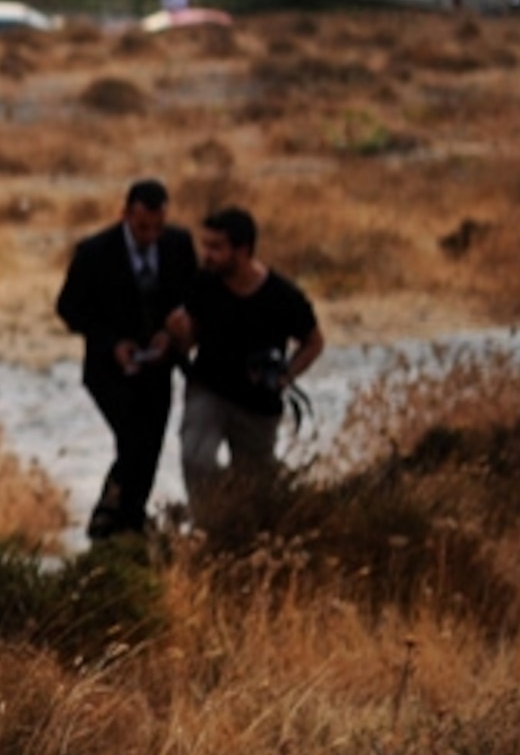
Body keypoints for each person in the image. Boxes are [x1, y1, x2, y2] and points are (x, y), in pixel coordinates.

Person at [164, 206, 326, 533]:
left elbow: (314, 342)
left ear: (243, 250)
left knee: (255, 485)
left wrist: (287, 374)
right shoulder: (202, 285)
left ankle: (244, 536)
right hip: (208, 389)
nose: (207, 255)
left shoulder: (282, 295)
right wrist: (178, 334)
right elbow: (189, 340)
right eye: (205, 245)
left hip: (258, 402)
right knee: (196, 458)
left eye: (216, 247)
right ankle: (208, 528)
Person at [54, 178, 194, 542]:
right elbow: (69, 308)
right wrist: (111, 342)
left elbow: (192, 297)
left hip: (159, 367)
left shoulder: (179, 245)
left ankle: (125, 521)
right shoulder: (95, 252)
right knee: (134, 441)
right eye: (142, 226)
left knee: (150, 444)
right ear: (126, 215)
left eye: (158, 226)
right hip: (108, 370)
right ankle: (114, 517)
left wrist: (173, 333)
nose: (151, 234)